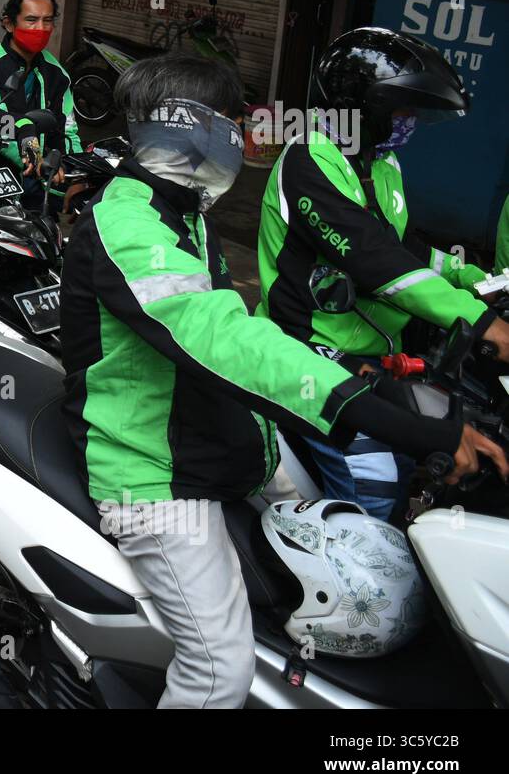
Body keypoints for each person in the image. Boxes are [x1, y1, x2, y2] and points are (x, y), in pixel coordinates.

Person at [60, 51, 508, 708]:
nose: (241, 140)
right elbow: (230, 341)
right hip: (151, 475)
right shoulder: (131, 226)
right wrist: (409, 427)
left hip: (224, 443)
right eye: (226, 124)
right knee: (219, 669)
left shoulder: (183, 209)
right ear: (178, 129)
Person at [256, 28, 509, 522]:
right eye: (401, 111)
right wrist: (478, 320)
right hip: (310, 351)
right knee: (375, 490)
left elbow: (405, 247)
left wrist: (472, 277)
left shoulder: (380, 163)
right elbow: (374, 257)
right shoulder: (310, 159)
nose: (408, 123)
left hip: (378, 355)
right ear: (361, 104)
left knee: (442, 440)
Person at [0, 0, 82, 208]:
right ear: (9, 23)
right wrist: (35, 159)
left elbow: (68, 130)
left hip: (42, 182)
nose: (40, 28)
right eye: (31, 20)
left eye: (47, 21)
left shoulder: (58, 74)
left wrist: (76, 174)